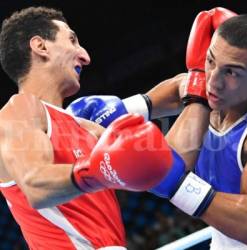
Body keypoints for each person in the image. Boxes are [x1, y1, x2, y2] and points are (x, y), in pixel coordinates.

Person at [70, 9, 247, 250]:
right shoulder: (205, 86)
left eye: (231, 71)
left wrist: (175, 182)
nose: (213, 81)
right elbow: (152, 101)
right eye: (211, 60)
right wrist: (108, 113)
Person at [0, 6, 191, 249]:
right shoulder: (19, 111)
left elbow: (167, 164)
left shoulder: (84, 128)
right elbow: (35, 186)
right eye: (71, 40)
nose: (85, 56)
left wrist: (197, 92)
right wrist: (99, 171)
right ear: (41, 47)